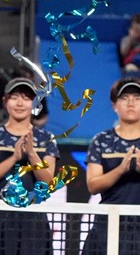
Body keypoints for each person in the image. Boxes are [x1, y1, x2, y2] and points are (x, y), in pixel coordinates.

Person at [83, 78, 140, 254]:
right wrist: (120, 170)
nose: (131, 103)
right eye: (125, 98)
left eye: (137, 98)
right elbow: (93, 185)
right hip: (108, 225)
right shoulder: (101, 141)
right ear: (114, 106)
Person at [0, 78, 59, 255]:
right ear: (5, 101)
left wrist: (32, 154)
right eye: (15, 97)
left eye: (26, 98)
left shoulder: (46, 138)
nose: (20, 103)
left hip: (34, 220)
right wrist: (14, 158)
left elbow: (49, 183)